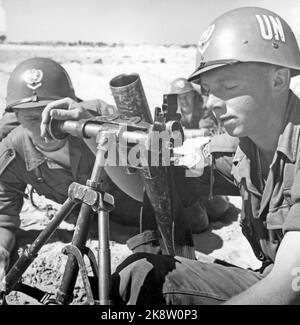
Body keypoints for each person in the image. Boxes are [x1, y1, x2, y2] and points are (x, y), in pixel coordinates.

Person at [40, 6, 300, 304]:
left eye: (228, 86)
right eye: (207, 90)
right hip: (270, 277)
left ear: (279, 80)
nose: (213, 103)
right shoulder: (243, 150)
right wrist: (93, 132)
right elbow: (148, 186)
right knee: (140, 276)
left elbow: (288, 286)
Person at [0, 57, 142, 283]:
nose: (43, 126)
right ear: (15, 116)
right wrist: (2, 251)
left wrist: (92, 131)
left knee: (202, 217)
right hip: (98, 226)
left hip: (148, 207)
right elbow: (4, 219)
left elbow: (150, 161)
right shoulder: (12, 153)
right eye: (31, 118)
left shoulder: (97, 115)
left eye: (51, 114)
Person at [170, 77, 233, 224]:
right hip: (186, 155)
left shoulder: (204, 104)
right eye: (180, 97)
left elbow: (207, 132)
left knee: (218, 209)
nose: (184, 101)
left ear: (193, 94)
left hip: (210, 153)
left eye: (186, 96)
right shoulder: (172, 108)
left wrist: (182, 134)